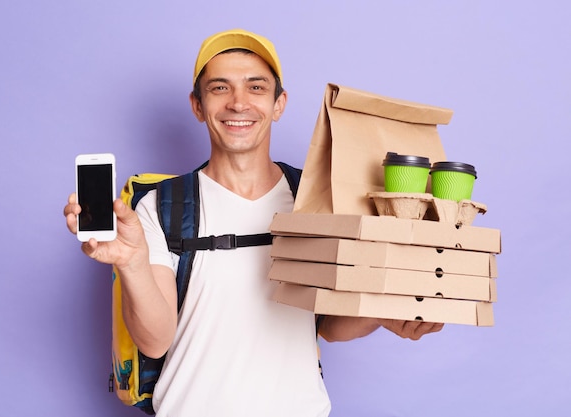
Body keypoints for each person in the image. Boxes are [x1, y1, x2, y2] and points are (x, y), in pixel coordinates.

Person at [64, 28, 443, 416]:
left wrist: (381, 313)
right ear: (197, 105)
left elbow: (330, 325)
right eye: (220, 88)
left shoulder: (314, 200)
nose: (238, 103)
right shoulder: (161, 206)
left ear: (279, 104)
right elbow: (155, 341)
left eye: (256, 88)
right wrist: (131, 262)